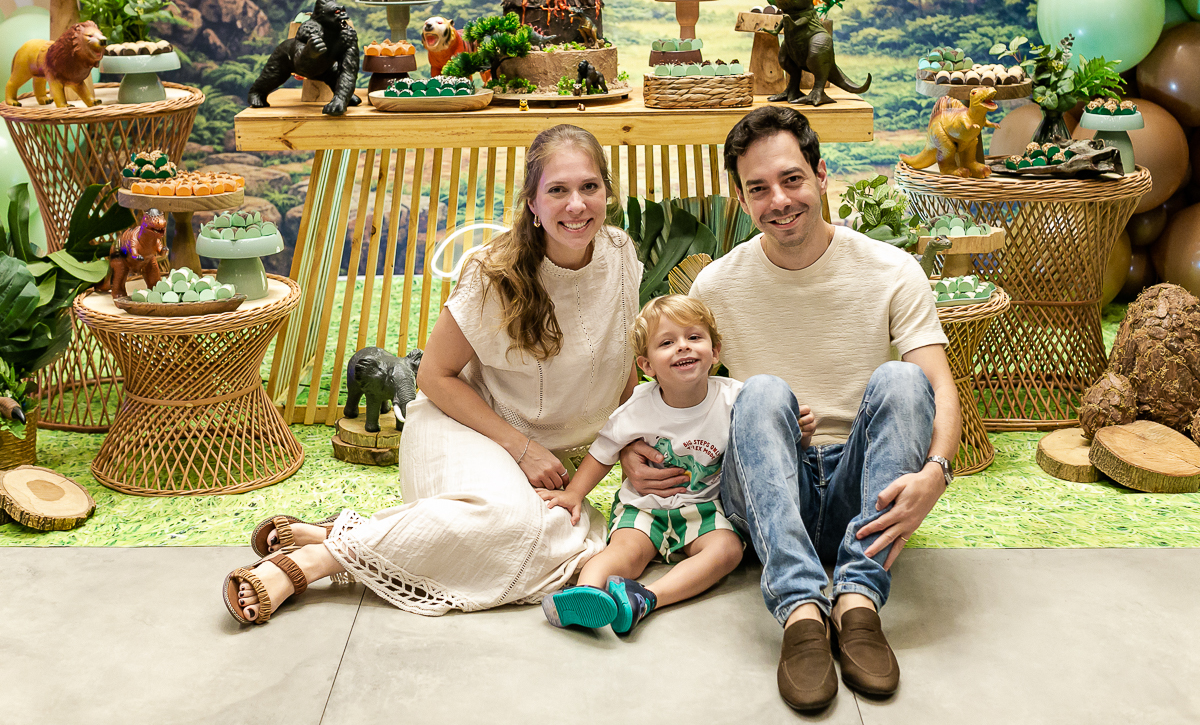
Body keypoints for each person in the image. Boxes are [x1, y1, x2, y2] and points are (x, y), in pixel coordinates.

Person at [222, 123, 643, 624]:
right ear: (531, 201)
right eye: (558, 190)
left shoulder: (620, 253)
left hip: (551, 461)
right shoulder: (494, 274)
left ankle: (346, 533)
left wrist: (629, 440)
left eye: (589, 187)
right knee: (522, 528)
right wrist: (522, 448)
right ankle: (314, 562)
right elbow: (434, 377)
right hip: (465, 427)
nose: (576, 205)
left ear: (606, 192)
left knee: (554, 532)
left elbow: (622, 370)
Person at [620, 106, 960, 710]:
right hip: (769, 490)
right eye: (759, 189)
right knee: (763, 392)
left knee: (904, 380)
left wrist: (937, 472)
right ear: (742, 199)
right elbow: (660, 380)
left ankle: (857, 601)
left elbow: (940, 383)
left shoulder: (891, 270)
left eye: (792, 179)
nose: (779, 200)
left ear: (823, 175)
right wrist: (630, 449)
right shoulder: (716, 286)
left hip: (865, 491)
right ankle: (801, 611)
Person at [536, 296, 762, 635]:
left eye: (694, 338)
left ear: (715, 352)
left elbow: (765, 436)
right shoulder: (638, 406)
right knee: (626, 553)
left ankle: (646, 599)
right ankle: (586, 593)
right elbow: (604, 451)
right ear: (647, 365)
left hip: (703, 508)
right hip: (643, 507)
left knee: (727, 551)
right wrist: (574, 494)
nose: (683, 348)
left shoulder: (734, 398)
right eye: (667, 342)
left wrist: (797, 430)